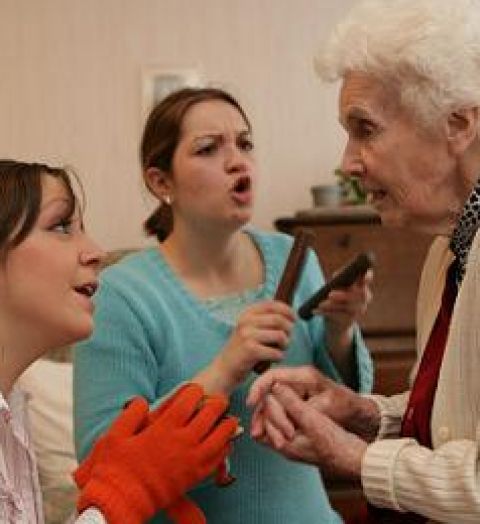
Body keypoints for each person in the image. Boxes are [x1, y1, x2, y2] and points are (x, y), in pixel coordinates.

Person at [73, 86, 374, 523]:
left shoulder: (294, 257)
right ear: (161, 182)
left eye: (245, 143)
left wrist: (340, 331)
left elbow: (346, 413)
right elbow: (102, 465)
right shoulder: (121, 296)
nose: (237, 160)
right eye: (208, 148)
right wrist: (225, 369)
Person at [247, 0, 480, 522]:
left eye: (365, 129)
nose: (348, 162)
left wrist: (353, 457)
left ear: (458, 124)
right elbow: (450, 425)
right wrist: (361, 412)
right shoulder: (448, 252)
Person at [0, 159, 238, 524]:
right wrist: (124, 492)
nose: (96, 251)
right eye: (61, 226)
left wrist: (120, 482)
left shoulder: (12, 413)